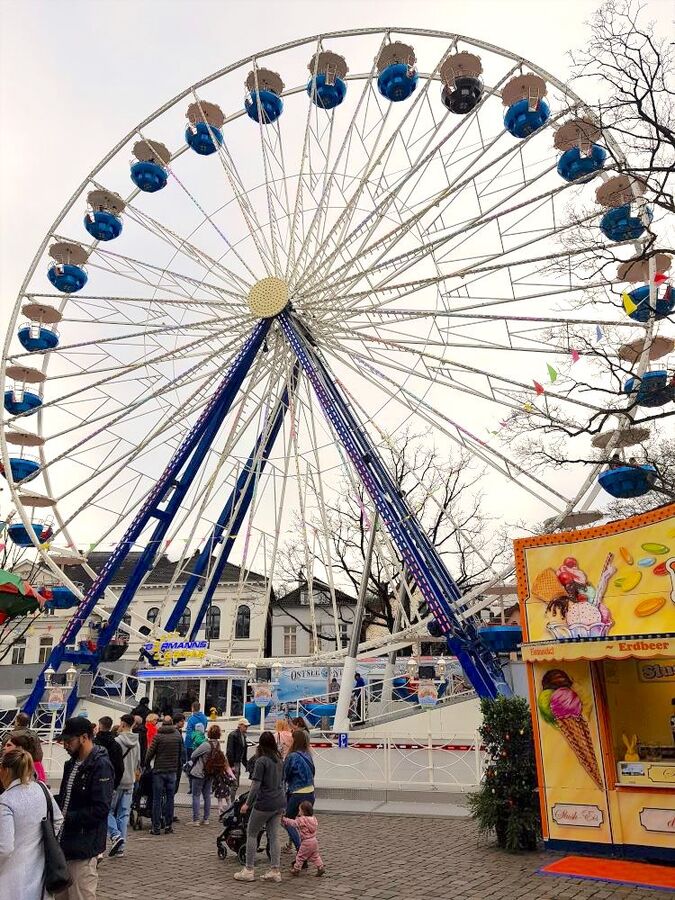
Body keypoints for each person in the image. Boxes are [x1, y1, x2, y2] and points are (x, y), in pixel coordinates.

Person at [55, 717, 114, 900]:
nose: (65, 745)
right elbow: (66, 797)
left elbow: (101, 808)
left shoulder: (100, 765)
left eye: (69, 741)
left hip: (84, 845)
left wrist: (67, 817)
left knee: (81, 894)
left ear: (84, 738)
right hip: (64, 842)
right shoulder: (71, 764)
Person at [0, 746, 64, 900]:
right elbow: (58, 819)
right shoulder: (42, 789)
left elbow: (5, 848)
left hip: (11, 875)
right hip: (40, 868)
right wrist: (44, 841)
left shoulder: (6, 801)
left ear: (6, 771)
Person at [234, 731, 285, 883]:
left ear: (261, 744)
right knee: (274, 836)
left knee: (252, 833)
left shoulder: (261, 761)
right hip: (279, 801)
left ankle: (249, 869)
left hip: (265, 802)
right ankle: (275, 870)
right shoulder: (279, 760)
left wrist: (247, 803)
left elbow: (256, 785)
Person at [107, 714, 140, 858]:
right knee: (124, 813)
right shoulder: (137, 742)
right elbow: (138, 762)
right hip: (130, 780)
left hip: (117, 780)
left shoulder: (117, 741)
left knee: (107, 811)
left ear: (123, 724)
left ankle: (115, 835)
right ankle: (121, 846)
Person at [145, 714, 182, 836]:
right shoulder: (177, 735)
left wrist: (146, 764)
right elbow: (181, 752)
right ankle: (168, 826)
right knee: (170, 799)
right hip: (172, 771)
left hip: (159, 771)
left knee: (157, 799)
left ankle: (156, 827)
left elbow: (150, 753)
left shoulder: (158, 736)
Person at [282, 728, 315, 853]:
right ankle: (309, 848)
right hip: (310, 792)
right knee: (305, 823)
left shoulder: (292, 756)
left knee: (287, 821)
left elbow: (285, 776)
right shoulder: (308, 754)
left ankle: (301, 850)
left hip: (297, 793)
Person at [188, 723, 225, 825]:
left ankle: (196, 820)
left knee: (196, 795)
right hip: (210, 773)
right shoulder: (218, 745)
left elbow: (193, 754)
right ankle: (206, 819)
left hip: (199, 772)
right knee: (207, 796)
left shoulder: (206, 744)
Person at [283, 800, 325, 877]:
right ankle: (320, 867)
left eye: (300, 810)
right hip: (314, 841)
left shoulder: (302, 820)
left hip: (306, 842)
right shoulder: (313, 819)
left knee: (300, 856)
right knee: (315, 855)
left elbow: (293, 823)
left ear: (303, 811)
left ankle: (296, 869)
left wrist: (285, 820)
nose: (298, 811)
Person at [94, 716, 124, 789]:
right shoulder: (116, 745)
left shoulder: (93, 743)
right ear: (110, 727)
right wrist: (115, 785)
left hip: (93, 780)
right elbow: (120, 767)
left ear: (100, 726)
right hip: (108, 781)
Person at [226, 717, 249, 803]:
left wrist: (246, 765)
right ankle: (231, 803)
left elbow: (243, 752)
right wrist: (231, 765)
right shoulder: (233, 735)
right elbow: (230, 751)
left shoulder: (243, 736)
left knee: (235, 784)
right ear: (240, 726)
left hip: (237, 762)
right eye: (245, 726)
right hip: (233, 762)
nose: (247, 728)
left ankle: (230, 801)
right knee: (234, 784)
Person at [173, 713, 187, 815]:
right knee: (173, 788)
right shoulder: (176, 733)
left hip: (177, 762)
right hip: (176, 763)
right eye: (182, 721)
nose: (184, 723)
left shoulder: (178, 732)